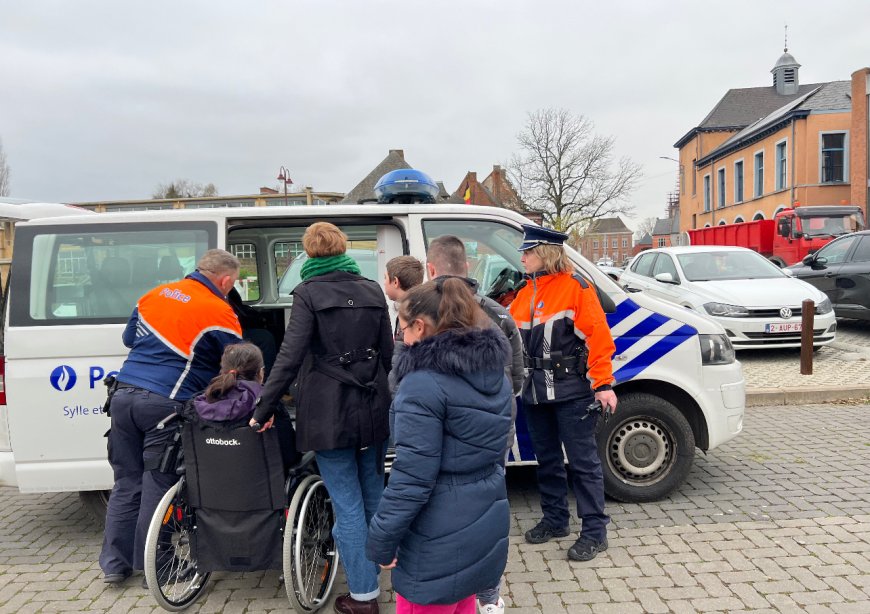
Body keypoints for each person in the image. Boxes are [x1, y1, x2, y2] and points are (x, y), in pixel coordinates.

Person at [252, 222, 393, 614]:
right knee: (373, 495)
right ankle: (392, 571)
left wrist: (262, 409)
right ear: (343, 248)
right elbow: (388, 353)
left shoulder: (307, 293)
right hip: (372, 406)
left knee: (347, 505)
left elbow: (289, 355)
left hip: (330, 414)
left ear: (309, 253)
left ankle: (364, 597)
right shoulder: (372, 289)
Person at [366, 278, 512, 614]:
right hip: (482, 522)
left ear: (419, 326)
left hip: (436, 536)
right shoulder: (494, 374)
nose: (400, 337)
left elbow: (413, 478)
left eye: (401, 328)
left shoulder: (422, 386)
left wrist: (382, 540)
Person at [99, 249, 243, 584]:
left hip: (122, 396)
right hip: (164, 404)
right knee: (158, 484)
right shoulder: (219, 310)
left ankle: (114, 564)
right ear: (224, 280)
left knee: (126, 482)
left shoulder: (155, 294)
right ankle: (157, 566)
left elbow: (129, 338)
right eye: (231, 285)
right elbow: (237, 362)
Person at [425, 235, 523, 614]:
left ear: (431, 269)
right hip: (492, 434)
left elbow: (401, 382)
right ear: (467, 267)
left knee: (440, 512)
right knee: (485, 515)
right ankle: (487, 598)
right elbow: (517, 377)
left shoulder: (419, 315)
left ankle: (449, 590)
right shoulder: (498, 313)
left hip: (441, 435)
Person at [508, 224, 618, 562]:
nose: (522, 256)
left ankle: (595, 532)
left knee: (583, 465)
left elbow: (599, 339)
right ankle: (556, 521)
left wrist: (602, 385)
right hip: (535, 393)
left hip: (571, 392)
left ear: (545, 253)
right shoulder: (525, 292)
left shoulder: (576, 288)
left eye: (527, 251)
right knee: (548, 461)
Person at [384, 255, 425, 342]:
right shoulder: (422, 307)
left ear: (395, 282)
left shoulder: (409, 314)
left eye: (385, 278)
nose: (384, 283)